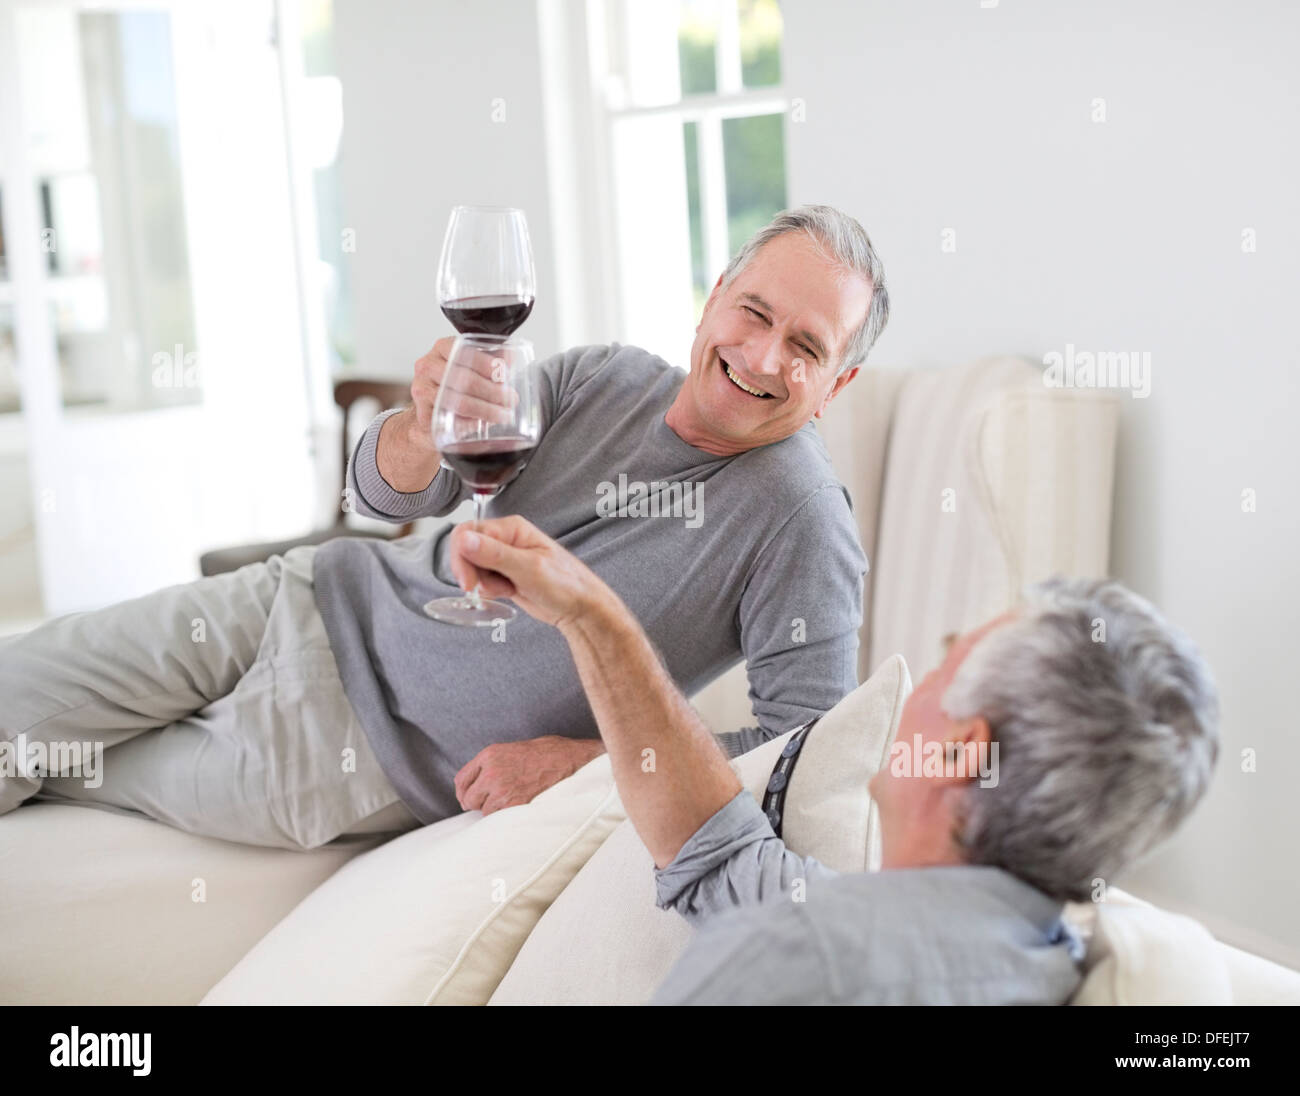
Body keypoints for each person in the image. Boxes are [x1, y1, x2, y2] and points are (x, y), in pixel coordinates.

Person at [0, 205, 889, 851]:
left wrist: (583, 761)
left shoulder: (803, 520)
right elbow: (383, 496)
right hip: (304, 597)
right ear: (716, 298)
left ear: (837, 386)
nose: (765, 357)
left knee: (48, 767)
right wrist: (423, 430)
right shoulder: (605, 378)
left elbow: (804, 748)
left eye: (808, 348)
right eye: (756, 312)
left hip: (350, 750)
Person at [445, 515, 1220, 1005]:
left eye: (947, 664)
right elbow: (717, 858)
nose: (923, 676)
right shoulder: (1044, 964)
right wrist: (589, 612)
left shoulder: (792, 958)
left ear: (957, 750)